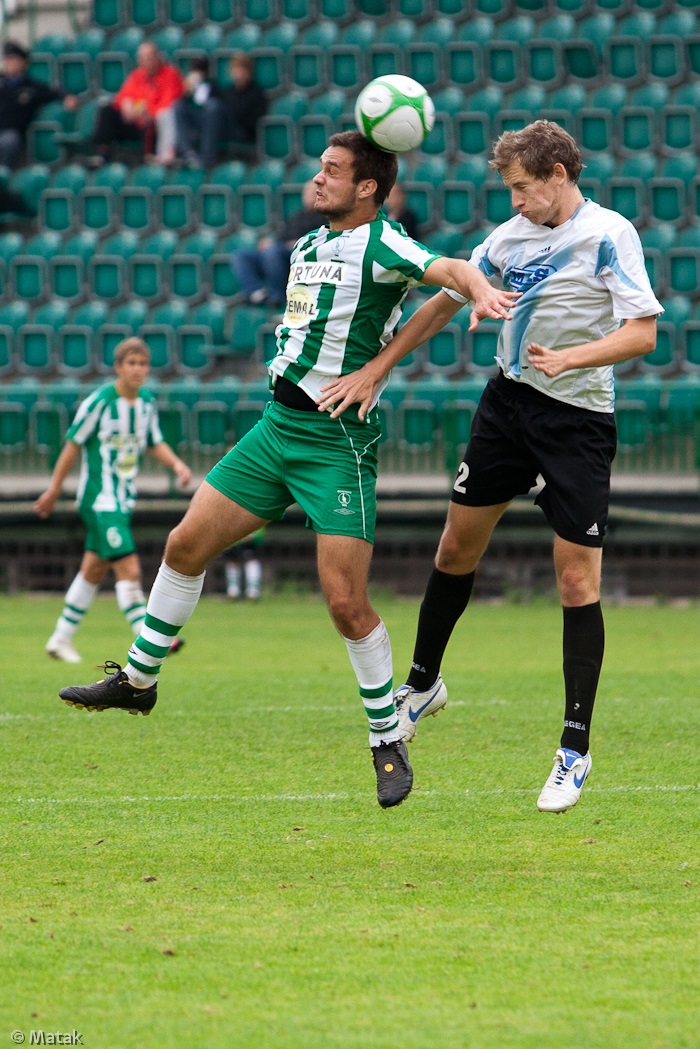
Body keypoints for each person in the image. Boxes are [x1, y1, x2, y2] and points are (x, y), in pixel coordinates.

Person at [57, 131, 517, 808]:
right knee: (184, 544)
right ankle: (138, 680)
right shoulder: (306, 246)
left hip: (337, 443)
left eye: (333, 170)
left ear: (367, 187)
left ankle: (387, 735)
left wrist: (476, 286)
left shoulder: (383, 242)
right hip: (276, 429)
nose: (318, 177)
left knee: (344, 602)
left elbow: (446, 270)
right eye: (321, 167)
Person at [317, 121, 663, 815]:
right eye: (510, 190)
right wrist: (379, 367)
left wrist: (571, 359)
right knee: (454, 547)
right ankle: (423, 682)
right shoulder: (506, 241)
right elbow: (445, 299)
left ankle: (573, 748)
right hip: (508, 406)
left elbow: (642, 332)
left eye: (523, 189)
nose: (515, 203)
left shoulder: (608, 234)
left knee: (575, 580)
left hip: (578, 422)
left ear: (560, 174)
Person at [35, 337, 192, 665]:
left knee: (93, 569)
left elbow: (154, 442)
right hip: (99, 500)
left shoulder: (146, 403)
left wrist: (177, 464)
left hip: (122, 500)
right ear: (118, 367)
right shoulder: (100, 402)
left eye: (143, 363)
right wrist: (54, 489)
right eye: (131, 363)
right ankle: (150, 637)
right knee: (129, 567)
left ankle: (60, 638)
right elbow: (72, 444)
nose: (138, 369)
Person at [230, 180, 324, 307]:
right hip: (280, 251)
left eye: (312, 192)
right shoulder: (297, 215)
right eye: (306, 192)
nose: (308, 195)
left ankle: (277, 295)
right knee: (241, 256)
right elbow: (283, 236)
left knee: (273, 252)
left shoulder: (324, 216)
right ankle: (254, 292)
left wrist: (297, 243)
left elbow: (323, 240)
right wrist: (271, 242)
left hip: (300, 254)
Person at [89, 42, 183, 167]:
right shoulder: (137, 75)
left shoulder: (170, 74)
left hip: (154, 123)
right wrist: (126, 104)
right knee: (107, 110)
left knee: (160, 117)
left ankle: (152, 160)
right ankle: (103, 153)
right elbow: (123, 96)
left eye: (148, 57)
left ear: (157, 57)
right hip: (135, 120)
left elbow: (169, 102)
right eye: (142, 58)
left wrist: (149, 113)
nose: (145, 61)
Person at [0, 40, 78, 168]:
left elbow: (53, 92)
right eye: (7, 59)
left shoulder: (31, 87)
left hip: (11, 131)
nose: (9, 63)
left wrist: (67, 97)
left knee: (9, 141)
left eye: (13, 59)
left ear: (23, 62)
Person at [173, 55, 222, 169]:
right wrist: (187, 90)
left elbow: (207, 103)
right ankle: (187, 153)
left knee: (213, 106)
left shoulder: (214, 86)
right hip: (194, 123)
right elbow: (184, 105)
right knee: (178, 106)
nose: (198, 74)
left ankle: (206, 155)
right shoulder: (189, 88)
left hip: (213, 125)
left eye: (201, 70)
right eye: (195, 70)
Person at [217, 52, 267, 158]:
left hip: (244, 133)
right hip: (226, 131)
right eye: (235, 69)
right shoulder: (227, 92)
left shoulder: (256, 93)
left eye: (241, 69)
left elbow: (254, 120)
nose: (238, 73)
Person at [224, 527, 265, 600]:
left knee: (251, 562)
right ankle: (233, 590)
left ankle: (253, 591)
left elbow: (260, 533)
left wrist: (253, 537)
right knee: (232, 562)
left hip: (250, 543)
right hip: (234, 542)